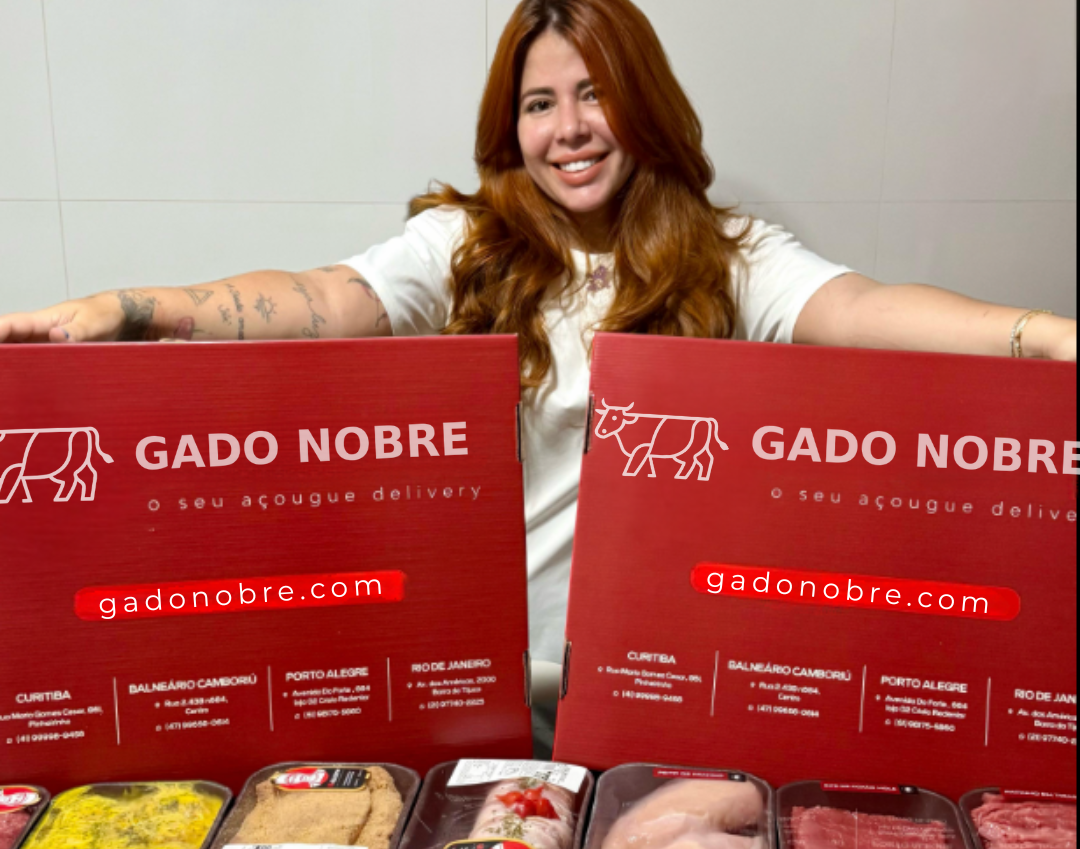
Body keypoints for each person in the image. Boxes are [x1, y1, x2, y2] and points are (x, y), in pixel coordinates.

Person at [1, 0, 1074, 741]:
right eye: (538, 103)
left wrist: (1044, 337)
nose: (568, 130)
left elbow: (860, 309)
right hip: (487, 680)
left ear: (644, 103)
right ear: (510, 127)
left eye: (593, 94)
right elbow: (327, 297)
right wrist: (136, 309)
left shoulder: (729, 252)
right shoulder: (464, 246)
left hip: (662, 682)